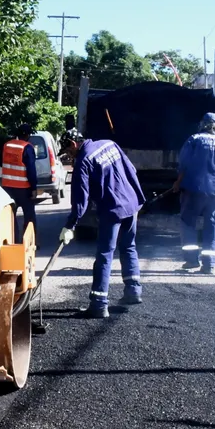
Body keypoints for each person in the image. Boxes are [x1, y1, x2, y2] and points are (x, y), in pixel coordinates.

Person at [59, 136, 146, 319]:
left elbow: (80, 200)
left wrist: (70, 225)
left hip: (113, 209)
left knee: (105, 254)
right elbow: (131, 169)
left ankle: (99, 304)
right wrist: (138, 196)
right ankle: (133, 291)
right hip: (131, 204)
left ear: (74, 144)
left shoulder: (84, 161)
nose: (69, 156)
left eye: (68, 152)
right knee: (128, 246)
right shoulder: (109, 144)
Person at [171, 112, 215, 275]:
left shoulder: (194, 139)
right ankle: (209, 265)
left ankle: (191, 260)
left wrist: (177, 183)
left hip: (194, 189)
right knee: (214, 225)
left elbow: (184, 165)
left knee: (188, 223)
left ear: (202, 124)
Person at [0, 124, 38, 243]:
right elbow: (31, 169)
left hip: (7, 188)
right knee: (29, 216)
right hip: (24, 188)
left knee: (11, 216)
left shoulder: (7, 146)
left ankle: (13, 241)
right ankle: (30, 242)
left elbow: (2, 164)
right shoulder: (27, 148)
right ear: (27, 135)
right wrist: (34, 188)